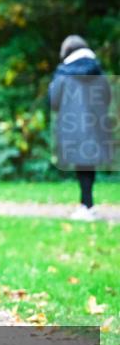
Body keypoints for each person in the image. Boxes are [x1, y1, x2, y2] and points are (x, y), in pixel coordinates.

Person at [48, 35, 114, 221]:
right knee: (88, 165)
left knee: (82, 165)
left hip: (73, 126)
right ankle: (88, 204)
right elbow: (107, 97)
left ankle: (86, 206)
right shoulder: (98, 71)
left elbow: (53, 102)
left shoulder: (63, 73)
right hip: (96, 124)